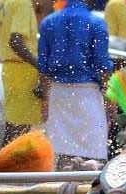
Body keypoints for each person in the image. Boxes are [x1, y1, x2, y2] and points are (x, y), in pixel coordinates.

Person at [38, 0, 113, 164]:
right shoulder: (96, 22)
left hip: (58, 93)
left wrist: (45, 100)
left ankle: (61, 187)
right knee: (92, 154)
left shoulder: (49, 22)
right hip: (88, 94)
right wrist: (110, 101)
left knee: (61, 151)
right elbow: (103, 67)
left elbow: (43, 67)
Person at [0, 0, 51, 142]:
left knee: (17, 129)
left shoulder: (4, 2)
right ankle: (2, 163)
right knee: (17, 133)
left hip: (11, 69)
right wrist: (41, 67)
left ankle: (3, 162)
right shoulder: (23, 3)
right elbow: (15, 41)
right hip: (22, 71)